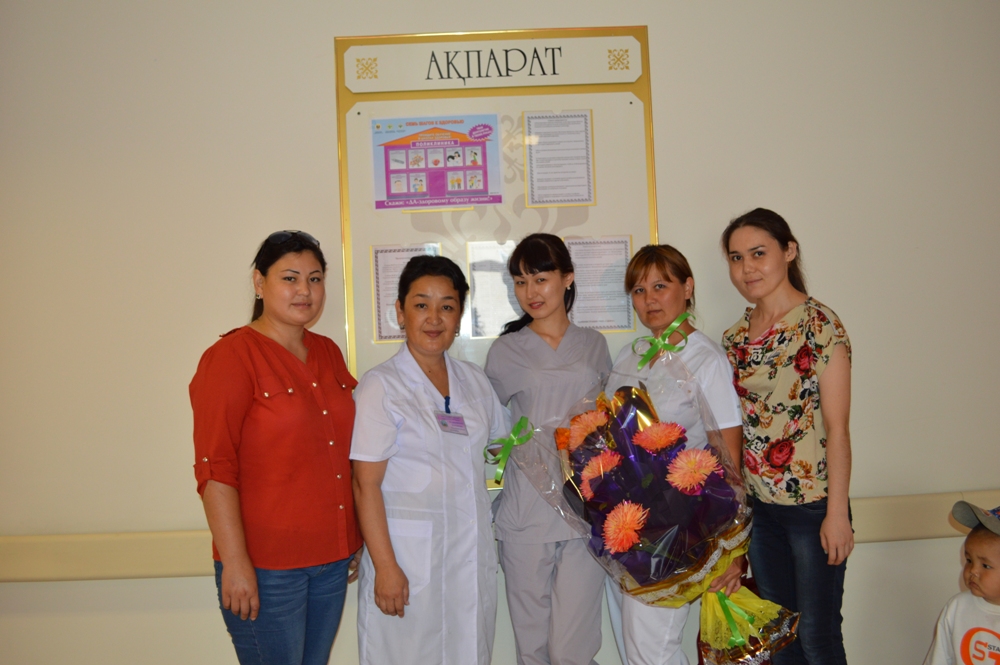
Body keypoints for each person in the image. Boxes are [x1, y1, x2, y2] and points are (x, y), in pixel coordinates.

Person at [190, 231, 361, 665]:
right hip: (265, 567)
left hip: (331, 561)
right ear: (258, 282)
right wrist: (235, 562)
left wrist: (352, 536)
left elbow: (341, 455)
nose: (305, 290)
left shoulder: (327, 352)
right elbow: (214, 469)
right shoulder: (230, 357)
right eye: (290, 278)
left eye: (315, 279)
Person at [350, 255, 509, 665]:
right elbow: (365, 484)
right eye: (421, 305)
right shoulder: (381, 386)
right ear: (400, 312)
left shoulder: (474, 380)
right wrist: (385, 566)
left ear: (459, 316)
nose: (434, 318)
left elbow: (503, 445)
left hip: (469, 559)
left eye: (447, 306)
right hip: (406, 561)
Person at [721, 208, 854, 665]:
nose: (747, 268)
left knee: (818, 638)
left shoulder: (820, 325)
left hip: (813, 507)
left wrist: (837, 514)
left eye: (758, 253)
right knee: (780, 640)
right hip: (761, 511)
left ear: (789, 251)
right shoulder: (735, 338)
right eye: (736, 258)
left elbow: (838, 429)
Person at [604, 244, 745, 665]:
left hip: (681, 526)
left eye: (660, 286)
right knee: (635, 647)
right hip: (627, 527)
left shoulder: (705, 359)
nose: (649, 299)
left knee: (651, 650)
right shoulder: (630, 356)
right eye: (639, 290)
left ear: (688, 288)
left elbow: (729, 458)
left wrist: (734, 549)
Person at [485, 233, 612, 665]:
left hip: (584, 506)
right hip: (526, 507)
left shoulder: (594, 345)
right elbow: (489, 426)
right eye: (520, 282)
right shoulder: (505, 350)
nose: (530, 292)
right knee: (532, 646)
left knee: (572, 647)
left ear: (567, 278)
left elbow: (607, 423)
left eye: (540, 278)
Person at [924, 501, 1000, 665]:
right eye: (969, 560)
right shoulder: (957, 607)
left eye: (986, 566)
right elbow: (939, 659)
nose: (973, 570)